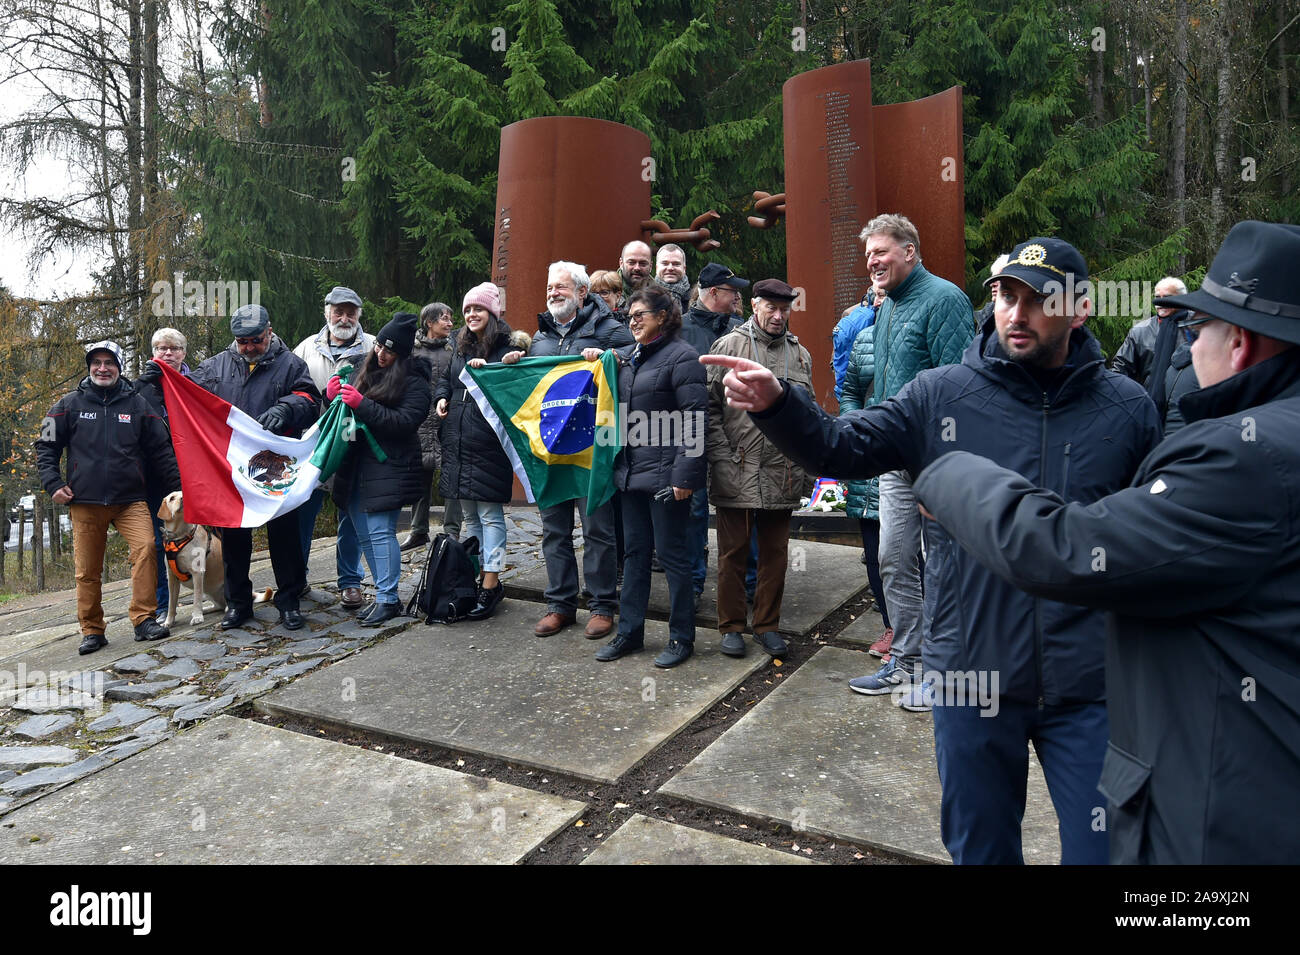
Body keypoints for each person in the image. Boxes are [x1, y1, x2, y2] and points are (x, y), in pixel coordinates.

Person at [704, 237, 1162, 865]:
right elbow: (842, 448)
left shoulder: (1128, 409)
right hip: (971, 671)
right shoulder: (941, 394)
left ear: (1080, 308)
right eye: (1007, 294)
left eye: (1039, 299)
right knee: (981, 851)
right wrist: (780, 406)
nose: (1017, 313)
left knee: (1109, 853)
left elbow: (1153, 542)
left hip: (1090, 684)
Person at [909, 221, 1300, 865]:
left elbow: (1066, 548)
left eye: (1196, 328)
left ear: (1241, 344)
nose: (1185, 343)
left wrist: (945, 471)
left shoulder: (1237, 456)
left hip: (1236, 807)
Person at [848, 213, 975, 694]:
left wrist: (941, 466)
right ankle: (908, 663)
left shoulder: (945, 300)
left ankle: (948, 675)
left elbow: (962, 389)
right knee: (893, 561)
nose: (872, 262)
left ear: (910, 251)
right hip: (894, 462)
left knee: (944, 568)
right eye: (867, 255)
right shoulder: (887, 308)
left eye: (880, 251)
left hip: (936, 465)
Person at [582, 286, 706, 667]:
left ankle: (682, 638)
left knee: (673, 558)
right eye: (629, 315)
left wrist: (685, 479)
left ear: (664, 317)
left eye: (641, 314)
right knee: (634, 556)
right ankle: (630, 633)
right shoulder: (628, 360)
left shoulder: (683, 358)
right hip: (631, 477)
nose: (632, 320)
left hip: (668, 480)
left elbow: (696, 422)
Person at [36, 341, 180, 653]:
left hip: (130, 500)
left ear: (120, 366)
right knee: (87, 570)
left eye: (109, 363)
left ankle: (143, 619)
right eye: (96, 363)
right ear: (89, 368)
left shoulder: (139, 404)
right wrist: (52, 482)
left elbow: (161, 451)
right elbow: (44, 443)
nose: (103, 368)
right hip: (84, 501)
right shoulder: (66, 404)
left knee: (146, 548)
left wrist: (179, 488)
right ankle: (92, 630)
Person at [190, 304, 322, 631]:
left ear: (270, 332)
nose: (249, 348)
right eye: (242, 341)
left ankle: (289, 602)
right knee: (235, 542)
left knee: (285, 539)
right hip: (233, 473)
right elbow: (188, 396)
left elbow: (309, 399)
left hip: (276, 470)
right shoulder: (215, 368)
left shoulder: (291, 364)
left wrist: (286, 408)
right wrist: (160, 380)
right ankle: (238, 605)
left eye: (256, 341)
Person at [704, 278, 813, 659]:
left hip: (781, 469)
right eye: (771, 308)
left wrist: (807, 464)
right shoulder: (729, 346)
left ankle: (767, 625)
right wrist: (721, 455)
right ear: (755, 306)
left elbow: (808, 414)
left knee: (775, 554)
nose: (779, 316)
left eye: (784, 309)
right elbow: (710, 409)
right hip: (736, 465)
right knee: (732, 553)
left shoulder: (800, 356)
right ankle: (731, 626)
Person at [529, 261, 634, 638]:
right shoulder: (539, 339)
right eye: (549, 288)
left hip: (593, 450)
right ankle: (560, 604)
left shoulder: (608, 330)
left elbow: (634, 355)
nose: (553, 294)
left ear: (581, 293)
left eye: (560, 287)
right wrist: (515, 363)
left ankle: (602, 605)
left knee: (598, 531)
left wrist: (610, 358)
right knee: (553, 531)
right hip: (551, 452)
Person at [327, 313, 431, 627]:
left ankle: (388, 598)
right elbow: (344, 407)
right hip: (356, 465)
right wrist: (331, 395)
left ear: (402, 354)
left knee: (380, 533)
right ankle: (385, 595)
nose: (381, 354)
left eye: (389, 351)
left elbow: (403, 423)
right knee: (364, 535)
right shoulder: (364, 366)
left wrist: (362, 404)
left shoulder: (415, 381)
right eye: (379, 347)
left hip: (390, 467)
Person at [434, 283, 526, 621]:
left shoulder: (507, 346)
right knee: (469, 517)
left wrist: (495, 368)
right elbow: (447, 378)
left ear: (493, 313)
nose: (472, 314)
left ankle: (491, 584)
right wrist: (441, 397)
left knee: (489, 516)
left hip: (488, 443)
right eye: (468, 309)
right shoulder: (460, 344)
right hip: (457, 440)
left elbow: (514, 387)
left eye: (479, 309)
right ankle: (470, 578)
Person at [293, 286, 374, 610]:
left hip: (354, 443)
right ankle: (297, 579)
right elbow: (293, 391)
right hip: (314, 444)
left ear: (358, 315)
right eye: (338, 311)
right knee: (302, 511)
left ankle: (350, 583)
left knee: (350, 516)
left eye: (350, 312)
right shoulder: (305, 349)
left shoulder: (372, 347)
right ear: (326, 312)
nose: (344, 318)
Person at [682, 262, 750, 604]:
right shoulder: (679, 329)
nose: (738, 296)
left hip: (735, 429)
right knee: (694, 509)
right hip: (691, 430)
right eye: (731, 291)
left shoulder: (741, 328)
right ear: (713, 293)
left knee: (741, 503)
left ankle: (748, 581)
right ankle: (694, 582)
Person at [838, 313, 892, 661]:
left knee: (912, 556)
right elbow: (850, 392)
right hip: (869, 459)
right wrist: (858, 426)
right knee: (874, 554)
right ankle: (891, 626)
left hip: (906, 460)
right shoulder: (865, 339)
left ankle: (920, 632)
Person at [137, 327, 190, 625]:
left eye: (173, 348)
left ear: (183, 353)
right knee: (159, 542)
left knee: (204, 534)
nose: (167, 353)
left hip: (194, 474)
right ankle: (162, 604)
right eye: (161, 349)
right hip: (156, 481)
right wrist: (140, 385)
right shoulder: (140, 389)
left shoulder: (198, 383)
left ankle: (213, 590)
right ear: (153, 354)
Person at [402, 302, 461, 551]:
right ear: (429, 322)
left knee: (452, 476)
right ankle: (418, 531)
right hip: (418, 422)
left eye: (450, 319)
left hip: (448, 420)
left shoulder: (456, 349)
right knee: (419, 476)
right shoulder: (410, 351)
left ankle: (451, 532)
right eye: (444, 319)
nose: (450, 323)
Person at [1112, 276, 1199, 432]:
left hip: (1188, 414)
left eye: (1167, 297)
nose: (1160, 302)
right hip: (1148, 413)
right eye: (1157, 297)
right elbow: (1120, 370)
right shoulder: (1140, 332)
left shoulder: (1199, 327)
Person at [654, 243, 691, 314]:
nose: (670, 268)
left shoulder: (695, 300)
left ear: (684, 269)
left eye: (676, 264)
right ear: (657, 268)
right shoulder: (645, 298)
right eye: (665, 263)